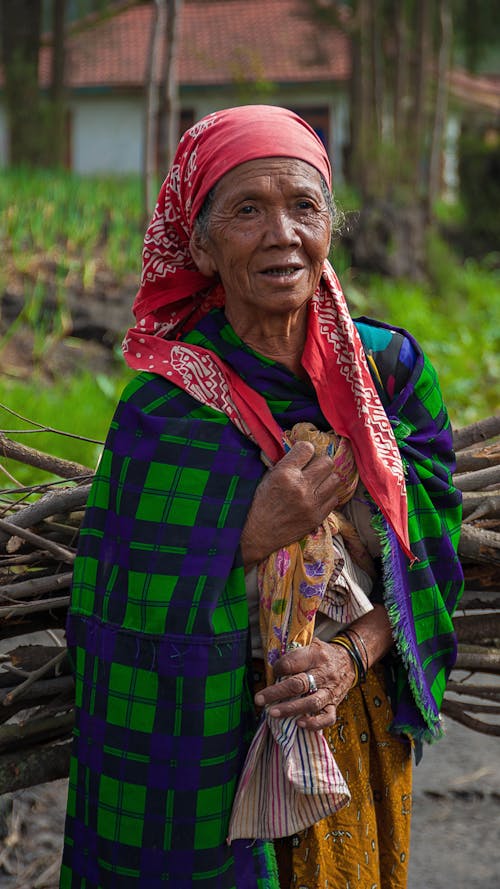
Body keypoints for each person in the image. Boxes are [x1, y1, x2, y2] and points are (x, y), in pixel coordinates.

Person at [60, 105, 463, 889]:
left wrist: (350, 657)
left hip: (346, 730)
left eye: (303, 207)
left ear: (329, 228)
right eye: (248, 210)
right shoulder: (163, 409)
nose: (282, 232)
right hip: (198, 753)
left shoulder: (390, 375)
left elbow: (434, 562)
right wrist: (243, 536)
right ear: (202, 246)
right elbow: (110, 604)